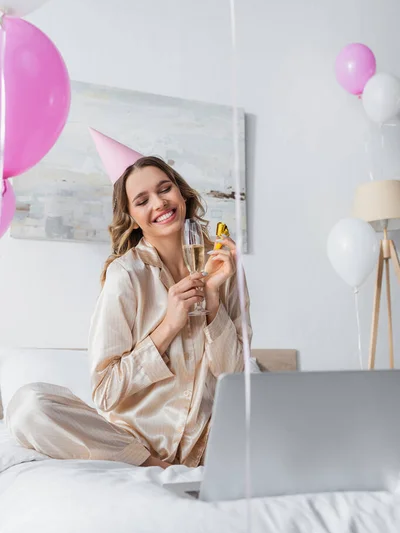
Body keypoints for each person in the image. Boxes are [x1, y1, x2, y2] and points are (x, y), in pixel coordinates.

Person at [6, 129, 252, 469]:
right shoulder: (126, 275)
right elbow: (105, 390)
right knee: (28, 406)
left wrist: (212, 303)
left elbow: (237, 378)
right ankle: (153, 468)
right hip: (133, 445)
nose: (159, 203)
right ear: (132, 219)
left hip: (212, 446)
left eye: (165, 189)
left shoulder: (223, 265)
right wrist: (167, 327)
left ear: (181, 193)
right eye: (142, 200)